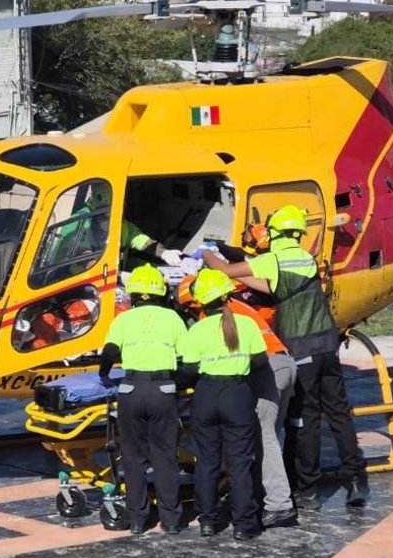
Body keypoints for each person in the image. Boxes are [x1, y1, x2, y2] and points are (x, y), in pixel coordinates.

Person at [200, 206, 367, 510]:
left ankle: (308, 490)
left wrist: (207, 252)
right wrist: (239, 260)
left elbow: (225, 272)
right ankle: (355, 480)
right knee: (340, 414)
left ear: (274, 233)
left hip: (302, 349)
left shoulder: (274, 259)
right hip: (327, 345)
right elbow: (275, 287)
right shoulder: (305, 258)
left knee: (306, 420)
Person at [179, 265, 298, 529]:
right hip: (279, 364)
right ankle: (254, 497)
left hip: (268, 368)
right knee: (256, 440)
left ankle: (279, 505)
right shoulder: (237, 310)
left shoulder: (214, 318)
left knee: (264, 437)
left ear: (198, 301)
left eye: (189, 307)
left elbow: (240, 361)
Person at [98, 265, 189, 535]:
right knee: (165, 457)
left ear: (134, 294)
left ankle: (138, 519)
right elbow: (187, 359)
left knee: (133, 457)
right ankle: (170, 520)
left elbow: (109, 352)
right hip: (162, 390)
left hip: (131, 391)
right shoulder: (173, 318)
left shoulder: (123, 319)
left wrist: (103, 374)